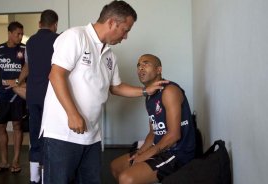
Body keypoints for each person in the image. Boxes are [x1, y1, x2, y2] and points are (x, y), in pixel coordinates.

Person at [40, 1, 167, 183]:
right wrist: (72, 114)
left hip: (91, 136)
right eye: (125, 29)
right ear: (112, 23)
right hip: (62, 133)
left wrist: (146, 90)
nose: (126, 36)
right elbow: (56, 75)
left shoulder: (110, 55)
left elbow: (115, 87)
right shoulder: (75, 36)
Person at [110, 54, 196, 183]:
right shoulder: (149, 95)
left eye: (146, 64)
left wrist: (146, 155)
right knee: (116, 166)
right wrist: (140, 152)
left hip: (177, 152)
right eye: (138, 65)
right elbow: (153, 132)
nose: (141, 68)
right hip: (160, 148)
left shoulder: (169, 91)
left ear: (158, 70)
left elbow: (174, 136)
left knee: (126, 179)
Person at [16, 9, 58, 184]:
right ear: (55, 25)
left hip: (32, 96)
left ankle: (34, 178)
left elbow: (27, 66)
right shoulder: (58, 40)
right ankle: (46, 178)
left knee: (34, 136)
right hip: (51, 96)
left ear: (40, 23)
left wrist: (18, 82)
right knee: (51, 136)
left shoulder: (30, 41)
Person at [0, 21, 26, 174]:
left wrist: (19, 83)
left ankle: (15, 161)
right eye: (18, 34)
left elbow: (28, 68)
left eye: (22, 34)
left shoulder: (24, 49)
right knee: (0, 126)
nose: (20, 37)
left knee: (18, 126)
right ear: (10, 33)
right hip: (3, 95)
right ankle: (4, 161)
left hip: (19, 95)